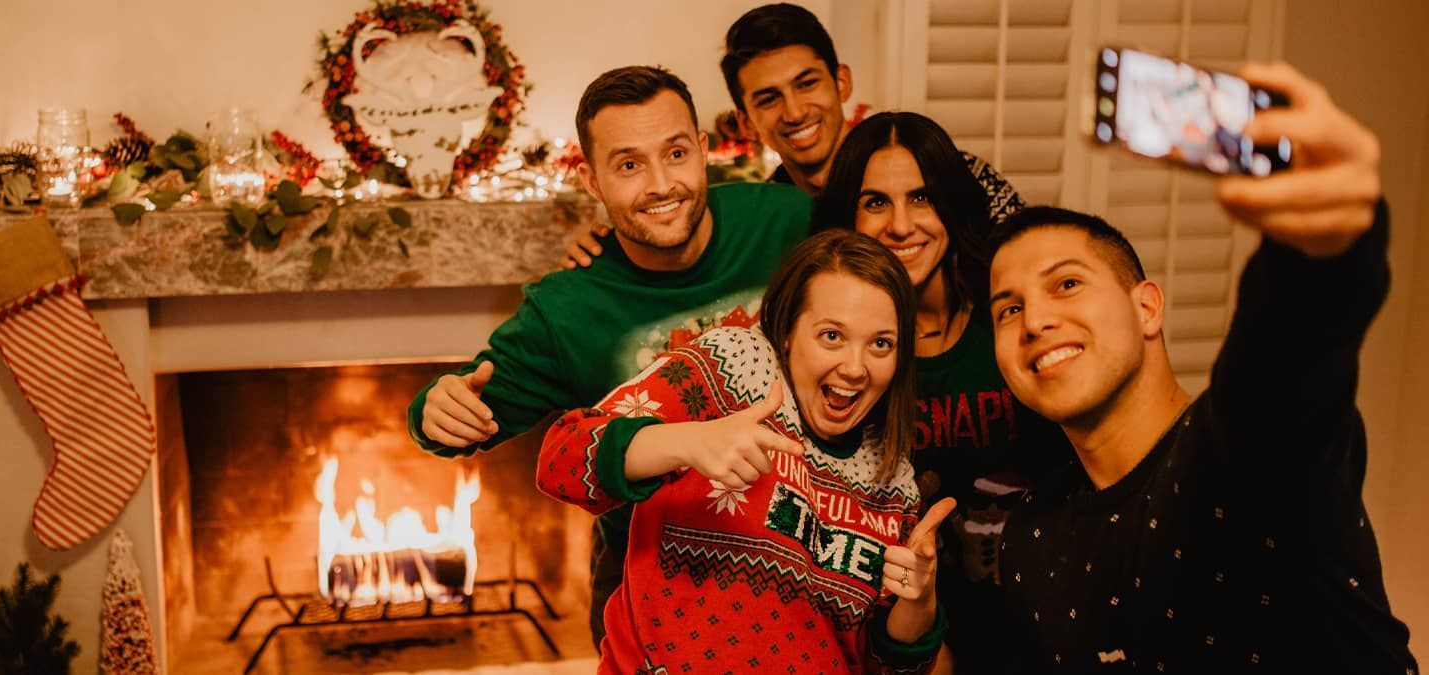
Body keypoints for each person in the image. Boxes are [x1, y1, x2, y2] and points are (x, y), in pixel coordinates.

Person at [986, 62, 1418, 672]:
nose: (1034, 321)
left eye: (1067, 284)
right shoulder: (1031, 540)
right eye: (1009, 309)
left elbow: (1281, 367)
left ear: (1147, 307)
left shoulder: (1236, 452)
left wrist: (1322, 252)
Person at [407, 65, 814, 647]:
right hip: (650, 590)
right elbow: (461, 410)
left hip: (800, 568)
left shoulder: (787, 222)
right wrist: (435, 410)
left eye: (675, 154)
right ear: (592, 180)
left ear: (702, 151)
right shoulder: (566, 309)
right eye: (628, 165)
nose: (659, 185)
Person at [538, 229, 953, 673]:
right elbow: (561, 459)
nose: (854, 367)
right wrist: (686, 442)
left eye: (880, 344)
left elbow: (888, 666)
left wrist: (919, 601)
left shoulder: (894, 486)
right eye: (831, 336)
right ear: (789, 331)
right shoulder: (732, 367)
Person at [816, 111, 1073, 673]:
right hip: (901, 632)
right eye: (875, 202)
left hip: (1039, 615)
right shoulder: (833, 350)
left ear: (951, 205)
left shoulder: (1008, 316)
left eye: (923, 198)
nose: (902, 225)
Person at [560, 2, 1023, 269]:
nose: (795, 111)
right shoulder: (767, 221)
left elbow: (1033, 266)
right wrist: (610, 251)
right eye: (768, 99)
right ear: (745, 123)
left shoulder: (946, 174)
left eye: (807, 84)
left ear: (841, 82)